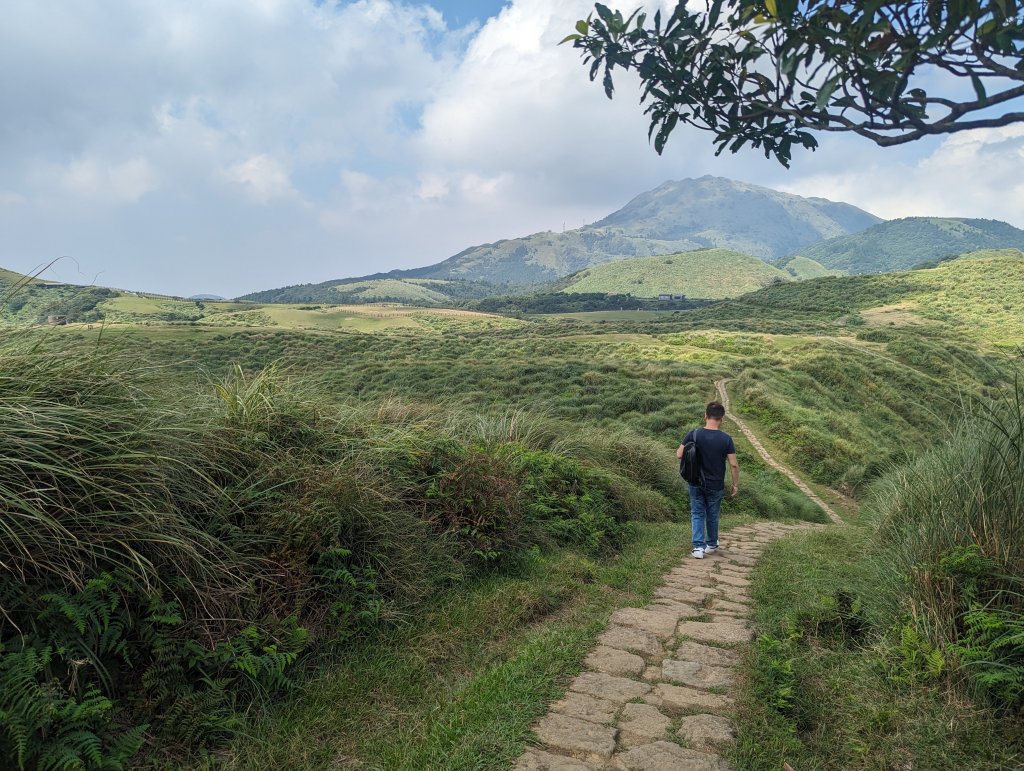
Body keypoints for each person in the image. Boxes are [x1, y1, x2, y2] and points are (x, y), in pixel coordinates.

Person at [677, 401, 739, 559]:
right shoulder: (726, 439)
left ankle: (698, 548)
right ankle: (711, 544)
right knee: (713, 514)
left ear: (705, 415)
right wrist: (735, 485)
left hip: (695, 481)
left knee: (697, 513)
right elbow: (733, 465)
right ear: (722, 418)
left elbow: (679, 454)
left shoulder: (694, 433)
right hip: (716, 484)